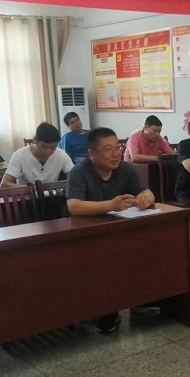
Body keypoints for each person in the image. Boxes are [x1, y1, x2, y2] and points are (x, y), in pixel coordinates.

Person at [67, 127, 156, 333]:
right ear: (92, 153)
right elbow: (74, 206)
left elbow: (147, 192)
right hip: (85, 236)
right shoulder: (78, 172)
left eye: (117, 147)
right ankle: (107, 310)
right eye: (108, 149)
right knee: (108, 258)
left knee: (150, 246)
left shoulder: (125, 169)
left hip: (117, 231)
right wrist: (111, 205)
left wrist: (146, 198)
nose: (116, 153)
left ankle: (142, 298)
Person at [2, 122, 74, 188]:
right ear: (35, 140)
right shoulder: (19, 155)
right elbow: (5, 184)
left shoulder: (61, 154)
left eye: (53, 147)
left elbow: (76, 177)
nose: (48, 152)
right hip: (27, 195)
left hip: (53, 195)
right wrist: (31, 189)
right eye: (44, 147)